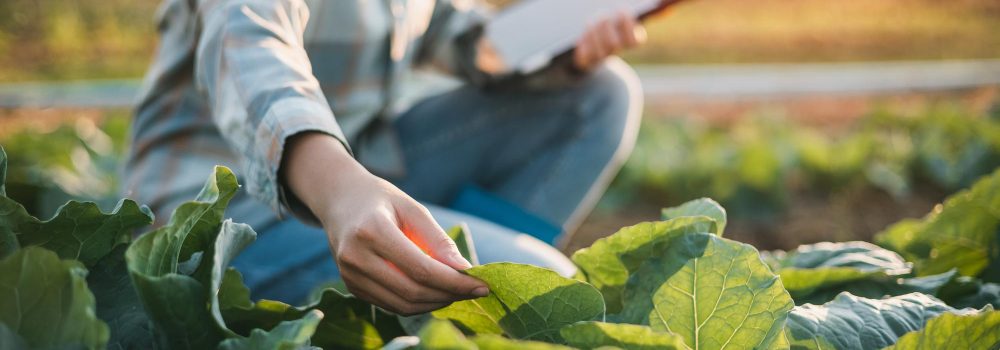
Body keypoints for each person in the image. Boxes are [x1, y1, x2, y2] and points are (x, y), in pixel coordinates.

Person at [123, 0, 645, 315]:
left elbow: (457, 36)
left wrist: (565, 34)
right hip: (221, 211)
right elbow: (248, 43)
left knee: (599, 95)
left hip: (361, 169)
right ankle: (455, 300)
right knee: (537, 281)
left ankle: (438, 300)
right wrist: (341, 190)